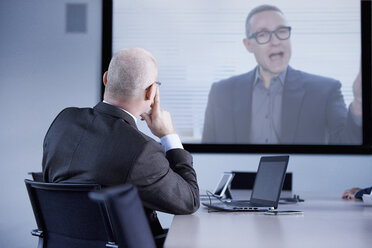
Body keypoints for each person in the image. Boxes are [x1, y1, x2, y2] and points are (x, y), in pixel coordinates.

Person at [42, 48, 200, 245]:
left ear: (106, 78)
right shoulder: (142, 151)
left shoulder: (64, 121)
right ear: (151, 91)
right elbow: (190, 201)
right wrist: (168, 135)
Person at [202, 4, 362, 144]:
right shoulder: (221, 93)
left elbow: (347, 144)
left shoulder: (326, 91)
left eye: (281, 31)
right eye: (263, 34)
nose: (276, 41)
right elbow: (207, 157)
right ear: (248, 45)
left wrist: (359, 101)